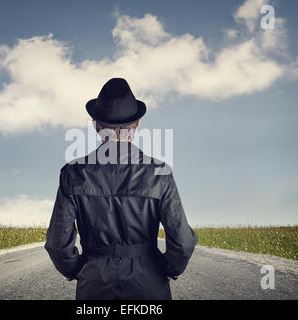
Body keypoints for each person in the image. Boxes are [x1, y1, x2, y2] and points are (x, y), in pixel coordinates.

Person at [45, 78, 198, 300]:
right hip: (149, 285)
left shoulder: (72, 173)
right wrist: (169, 270)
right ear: (137, 124)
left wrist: (77, 270)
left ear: (96, 124)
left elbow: (57, 244)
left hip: (94, 286)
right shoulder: (160, 172)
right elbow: (182, 244)